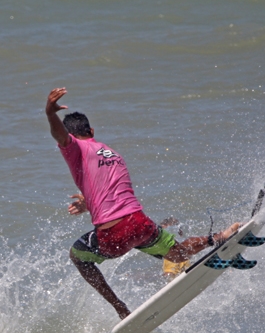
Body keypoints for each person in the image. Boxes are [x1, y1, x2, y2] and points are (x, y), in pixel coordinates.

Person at [46, 87, 240, 319]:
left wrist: (50, 113)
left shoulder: (76, 147)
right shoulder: (113, 154)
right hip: (139, 222)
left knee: (78, 257)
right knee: (177, 254)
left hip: (114, 233)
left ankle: (120, 308)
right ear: (92, 131)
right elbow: (112, 194)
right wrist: (88, 203)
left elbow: (60, 136)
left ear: (72, 137)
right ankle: (218, 237)